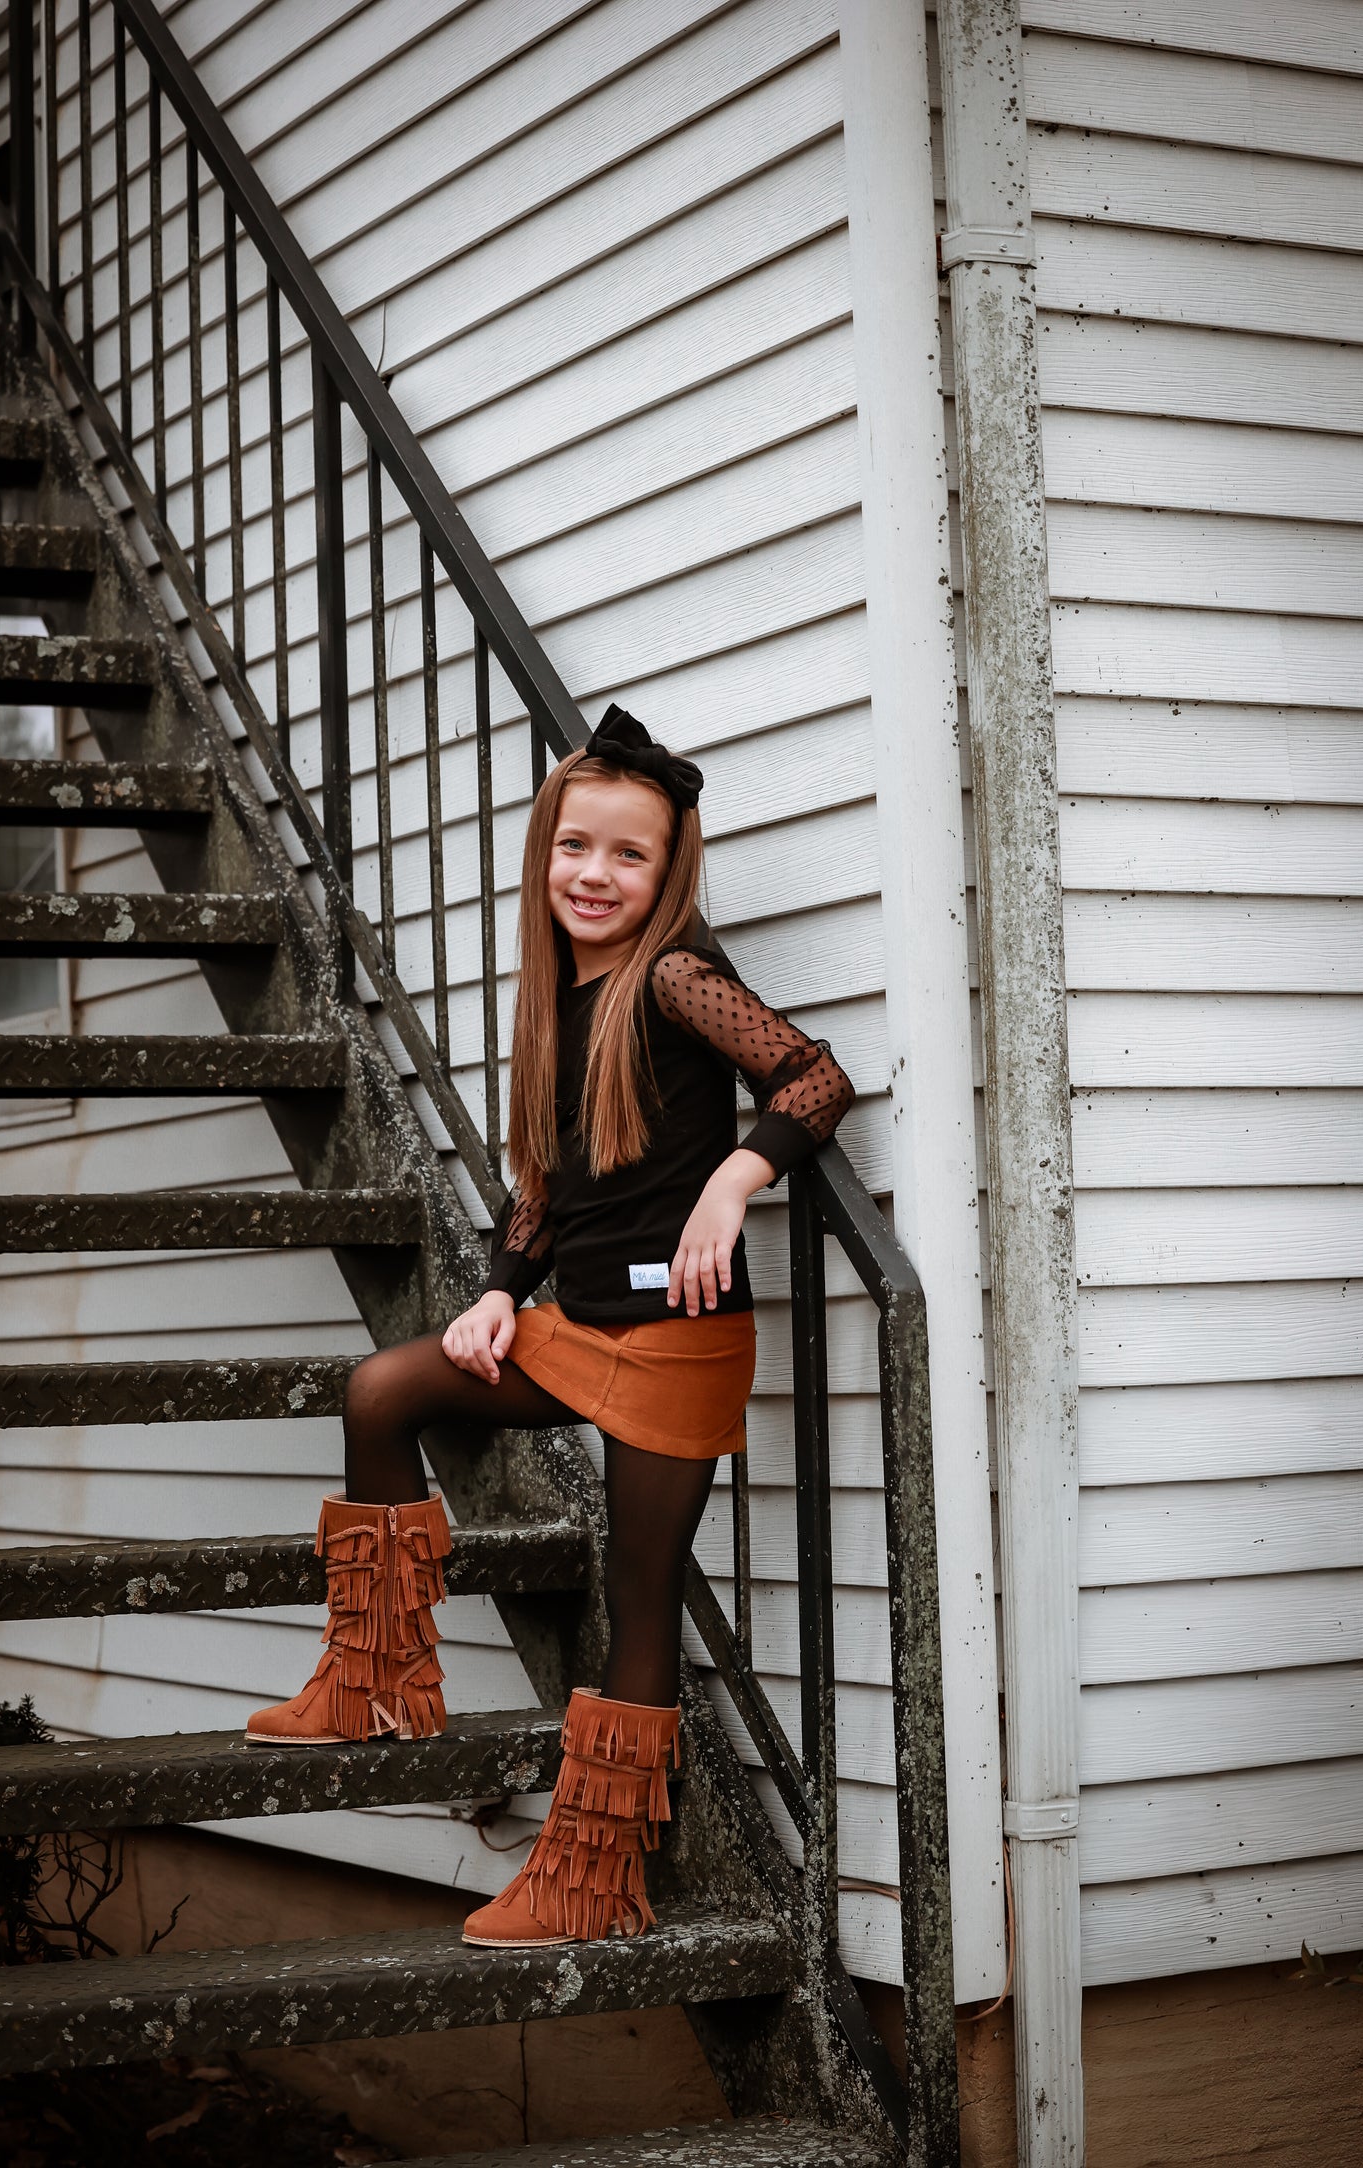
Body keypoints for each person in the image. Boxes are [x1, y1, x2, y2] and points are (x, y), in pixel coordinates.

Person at [246, 705, 854, 1948]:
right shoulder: (552, 1001)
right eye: (577, 846)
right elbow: (544, 1184)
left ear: (665, 872)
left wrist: (733, 1183)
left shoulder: (674, 975)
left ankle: (586, 1880)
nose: (596, 873)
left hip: (680, 1337)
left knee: (636, 1602)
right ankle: (373, 1681)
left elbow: (812, 1075)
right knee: (383, 1390)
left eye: (628, 855)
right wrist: (492, 1290)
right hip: (574, 1320)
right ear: (545, 853)